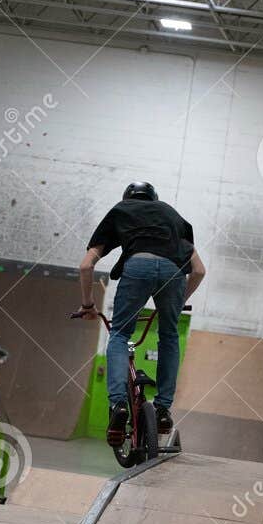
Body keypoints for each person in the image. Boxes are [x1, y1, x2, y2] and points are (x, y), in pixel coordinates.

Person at [76, 182, 206, 446]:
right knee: (169, 336)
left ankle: (118, 406)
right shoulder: (172, 215)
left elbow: (86, 266)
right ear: (154, 199)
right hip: (173, 273)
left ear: (128, 198)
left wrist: (88, 305)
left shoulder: (122, 210)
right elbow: (199, 271)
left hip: (138, 266)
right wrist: (178, 303)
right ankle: (163, 410)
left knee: (120, 334)